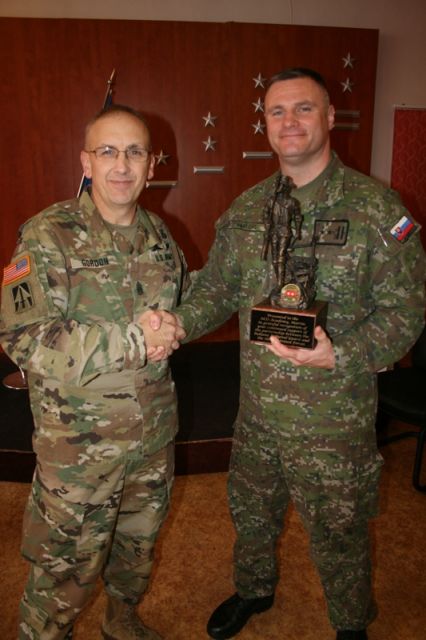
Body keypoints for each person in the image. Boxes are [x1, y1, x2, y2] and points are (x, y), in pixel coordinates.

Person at [158, 68, 426, 639]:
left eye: (304, 108)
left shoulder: (377, 210)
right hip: (257, 413)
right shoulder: (247, 209)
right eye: (277, 111)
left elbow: (407, 312)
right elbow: (217, 291)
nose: (290, 122)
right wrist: (177, 321)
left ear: (330, 117)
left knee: (340, 529)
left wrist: (342, 354)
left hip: (333, 418)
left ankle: (350, 623)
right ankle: (253, 590)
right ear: (266, 124)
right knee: (251, 512)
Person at [0, 104, 188, 640]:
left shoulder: (160, 236)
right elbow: (23, 336)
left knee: (136, 553)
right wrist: (133, 340)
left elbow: (178, 308)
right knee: (63, 573)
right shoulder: (47, 235)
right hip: (79, 453)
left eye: (134, 152)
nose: (121, 165)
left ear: (152, 165)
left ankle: (121, 620)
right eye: (108, 151)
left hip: (151, 441)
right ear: (86, 161)